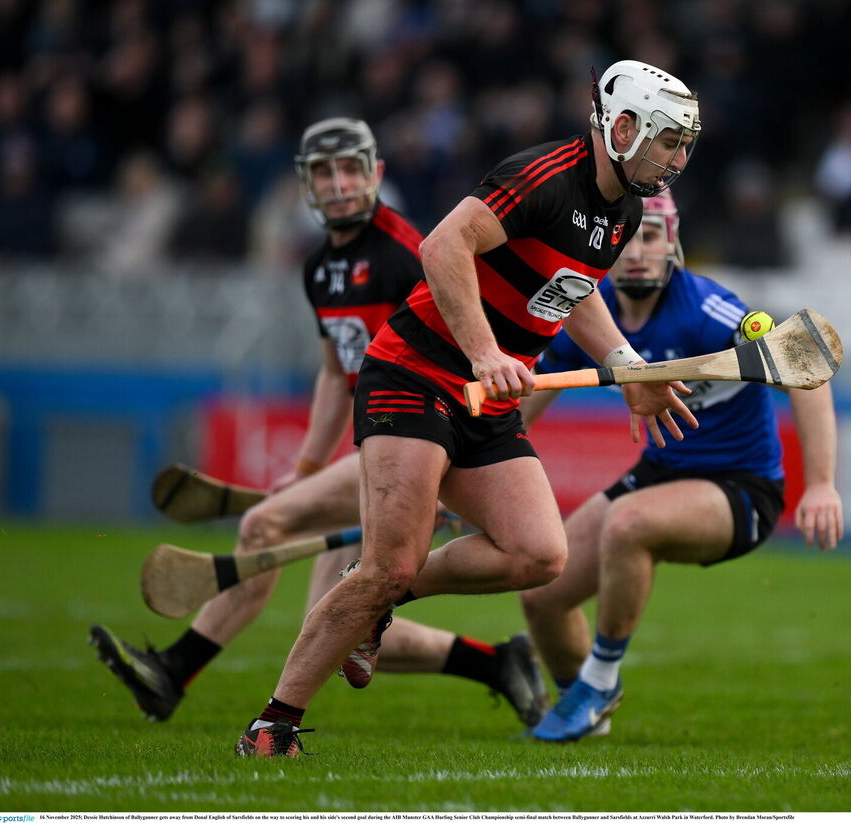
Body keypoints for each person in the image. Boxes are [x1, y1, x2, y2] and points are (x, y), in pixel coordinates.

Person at [236, 60, 702, 757]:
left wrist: (627, 365)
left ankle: (377, 601)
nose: (679, 157)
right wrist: (485, 351)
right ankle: (274, 724)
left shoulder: (624, 210)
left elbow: (572, 291)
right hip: (414, 372)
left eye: (685, 144)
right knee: (390, 560)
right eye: (669, 140)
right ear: (624, 126)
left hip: (484, 402)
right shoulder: (545, 177)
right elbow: (443, 244)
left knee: (539, 552)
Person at [90, 117, 547, 729]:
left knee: (269, 530)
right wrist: (304, 467)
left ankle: (177, 674)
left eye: (352, 168)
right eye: (324, 172)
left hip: (417, 432)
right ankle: (498, 664)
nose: (338, 184)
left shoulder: (407, 254)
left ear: (377, 173)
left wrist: (441, 475)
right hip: (382, 435)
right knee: (337, 616)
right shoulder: (320, 268)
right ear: (305, 185)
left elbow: (464, 354)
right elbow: (337, 374)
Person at [517, 189, 845, 742]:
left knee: (629, 526)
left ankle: (600, 682)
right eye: (629, 239)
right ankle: (585, 713)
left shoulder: (712, 312)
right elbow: (525, 409)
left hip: (742, 488)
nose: (639, 251)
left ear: (673, 245)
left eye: (652, 237)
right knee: (542, 594)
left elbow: (806, 368)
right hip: (659, 476)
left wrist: (821, 486)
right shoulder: (591, 313)